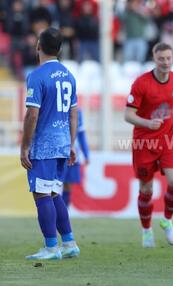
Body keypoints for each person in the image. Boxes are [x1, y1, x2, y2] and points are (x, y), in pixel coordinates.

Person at [20, 27, 80, 260]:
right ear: (61, 49)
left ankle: (51, 247)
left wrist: (25, 147)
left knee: (42, 195)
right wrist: (72, 144)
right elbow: (74, 114)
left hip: (44, 146)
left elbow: (32, 115)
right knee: (54, 193)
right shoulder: (69, 74)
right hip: (63, 143)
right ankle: (69, 243)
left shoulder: (37, 76)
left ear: (38, 46)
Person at [124, 42, 173, 248]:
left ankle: (167, 220)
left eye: (169, 58)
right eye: (161, 59)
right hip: (144, 143)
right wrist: (147, 123)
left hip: (167, 140)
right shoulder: (141, 84)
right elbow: (128, 115)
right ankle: (147, 230)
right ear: (154, 59)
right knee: (146, 189)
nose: (166, 62)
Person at [62, 108, 90, 208]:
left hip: (72, 154)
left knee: (68, 185)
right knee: (54, 185)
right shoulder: (55, 107)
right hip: (55, 153)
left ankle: (64, 212)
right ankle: (54, 213)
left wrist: (86, 154)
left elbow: (81, 135)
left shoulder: (78, 112)